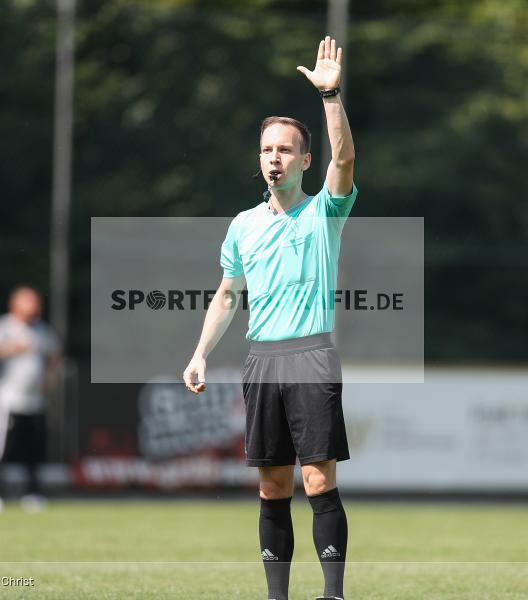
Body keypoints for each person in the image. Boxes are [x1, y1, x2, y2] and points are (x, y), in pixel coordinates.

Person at [183, 36, 355, 600]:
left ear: (305, 160)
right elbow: (228, 294)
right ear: (259, 160)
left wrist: (331, 97)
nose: (275, 157)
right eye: (267, 150)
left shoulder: (325, 210)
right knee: (272, 485)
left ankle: (332, 594)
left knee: (316, 479)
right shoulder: (243, 225)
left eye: (286, 149)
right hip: (261, 360)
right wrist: (200, 351)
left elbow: (346, 159)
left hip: (310, 353)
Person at [0, 286, 60, 514]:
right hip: (8, 401)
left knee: (34, 451)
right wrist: (6, 349)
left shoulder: (42, 331)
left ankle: (33, 494)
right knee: (0, 449)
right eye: (29, 302)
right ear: (15, 304)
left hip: (36, 402)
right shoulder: (2, 327)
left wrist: (50, 380)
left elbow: (54, 358)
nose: (35, 306)